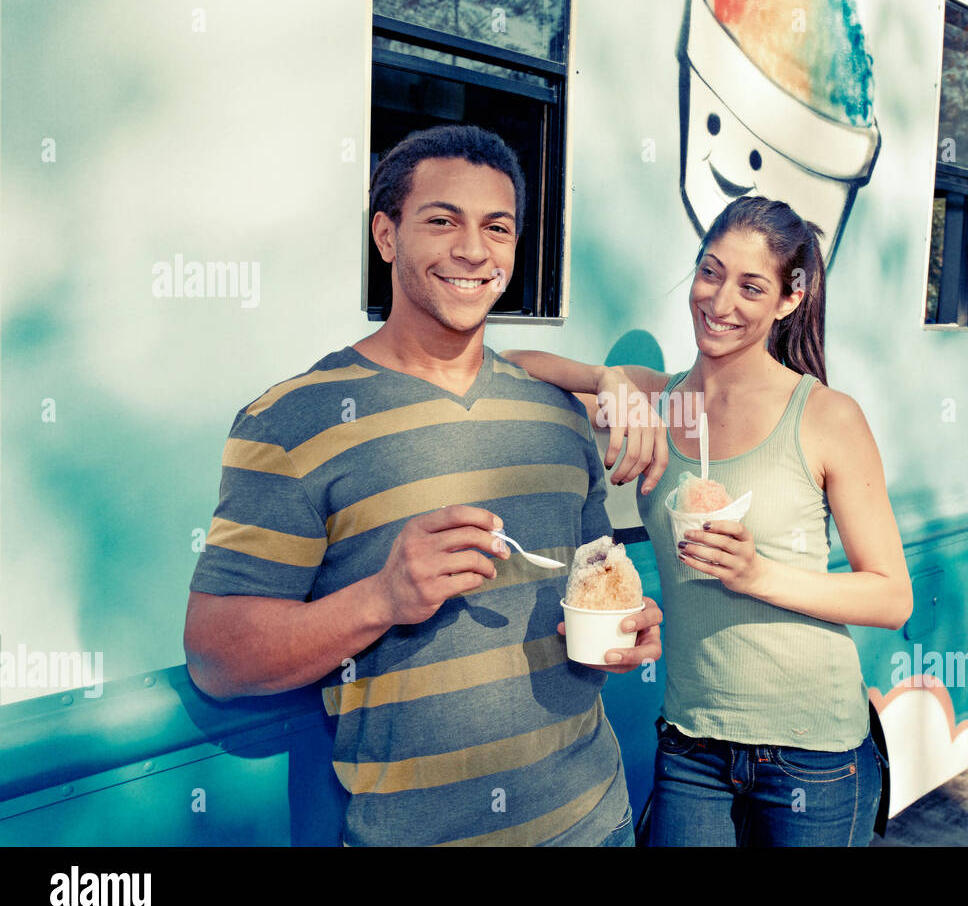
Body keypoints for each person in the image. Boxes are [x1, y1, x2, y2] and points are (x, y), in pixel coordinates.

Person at [183, 124, 662, 847]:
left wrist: (629, 627)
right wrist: (382, 596)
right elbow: (216, 658)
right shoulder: (290, 422)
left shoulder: (557, 415)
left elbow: (598, 583)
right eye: (442, 220)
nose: (474, 250)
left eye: (497, 228)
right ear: (386, 235)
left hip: (596, 819)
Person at [503, 195, 912, 846]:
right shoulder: (655, 400)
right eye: (711, 272)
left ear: (788, 300)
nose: (720, 302)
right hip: (692, 744)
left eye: (752, 286)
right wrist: (605, 378)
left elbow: (891, 595)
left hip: (815, 754)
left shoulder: (828, 416)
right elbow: (507, 373)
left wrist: (756, 573)